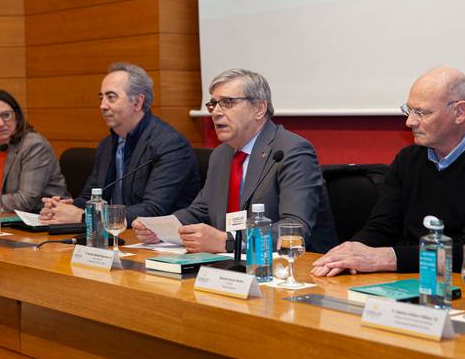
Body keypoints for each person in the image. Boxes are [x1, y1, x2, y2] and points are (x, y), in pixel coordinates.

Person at [312, 66, 465, 279]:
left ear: (460, 112)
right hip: (407, 280)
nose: (410, 122)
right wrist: (348, 254)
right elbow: (381, 227)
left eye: (422, 112)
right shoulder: (409, 159)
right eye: (409, 110)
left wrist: (384, 258)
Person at [133, 68, 338, 254]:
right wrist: (160, 228)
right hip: (235, 265)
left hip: (298, 269)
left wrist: (227, 241)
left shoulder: (291, 151)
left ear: (259, 108)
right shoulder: (221, 155)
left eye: (228, 103)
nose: (216, 112)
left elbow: (295, 229)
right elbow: (201, 211)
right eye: (213, 104)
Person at [39, 62, 201, 226]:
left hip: (160, 242)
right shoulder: (107, 145)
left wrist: (83, 216)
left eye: (111, 97)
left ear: (137, 102)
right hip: (116, 236)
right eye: (101, 97)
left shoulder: (170, 145)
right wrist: (64, 208)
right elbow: (90, 198)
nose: (102, 106)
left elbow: (153, 210)